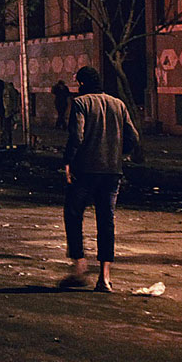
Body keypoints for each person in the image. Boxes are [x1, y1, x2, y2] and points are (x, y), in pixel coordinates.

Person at [60, 66, 142, 293]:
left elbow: (77, 136)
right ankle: (105, 277)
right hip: (112, 171)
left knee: (73, 214)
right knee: (106, 221)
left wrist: (68, 162)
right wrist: (118, 153)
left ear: (82, 84)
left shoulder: (81, 103)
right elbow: (133, 137)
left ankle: (79, 267)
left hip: (85, 170)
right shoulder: (118, 104)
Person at [0, 80, 19, 147]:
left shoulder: (7, 90)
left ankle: (6, 140)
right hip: (10, 111)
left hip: (8, 112)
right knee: (8, 127)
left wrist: (8, 110)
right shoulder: (13, 91)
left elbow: (7, 102)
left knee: (6, 126)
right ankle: (7, 140)